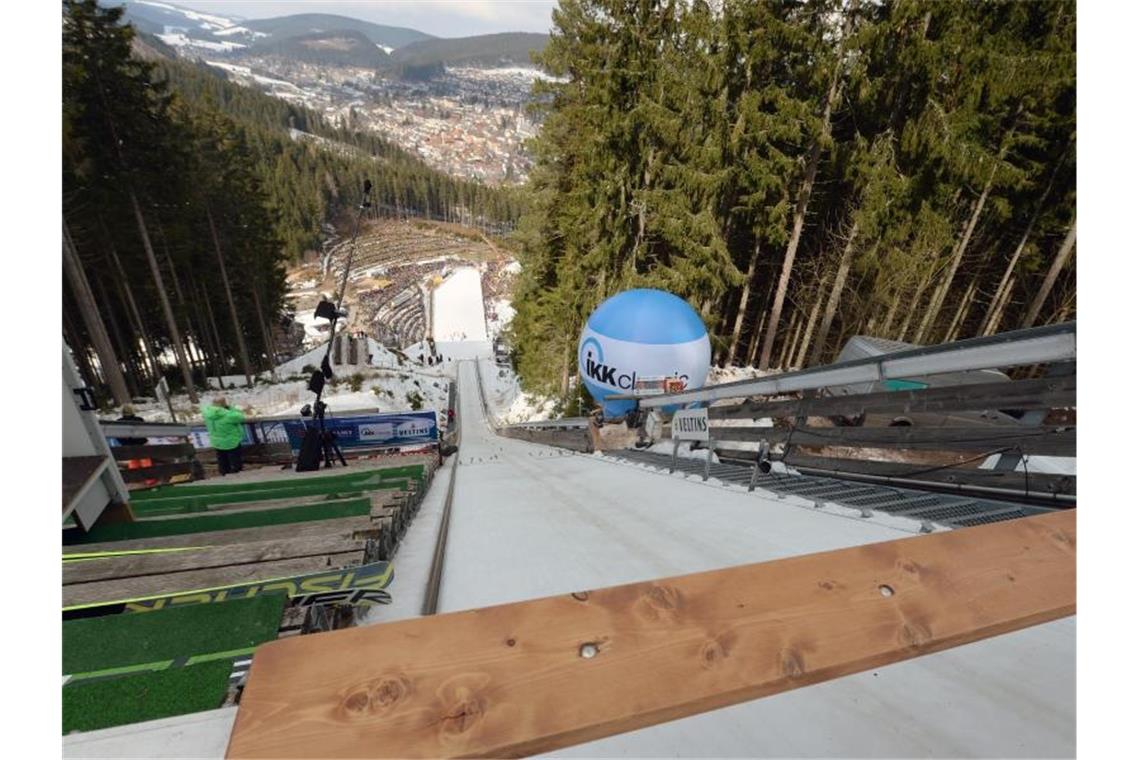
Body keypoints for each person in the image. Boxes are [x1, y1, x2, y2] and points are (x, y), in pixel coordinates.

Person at [202, 396, 246, 476]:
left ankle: (224, 473)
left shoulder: (207, 413)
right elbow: (240, 417)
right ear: (224, 404)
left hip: (216, 440)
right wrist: (230, 408)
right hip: (231, 440)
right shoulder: (228, 414)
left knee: (222, 458)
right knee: (235, 459)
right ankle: (236, 473)